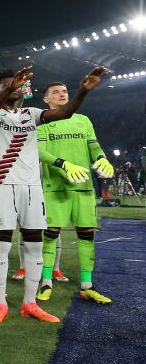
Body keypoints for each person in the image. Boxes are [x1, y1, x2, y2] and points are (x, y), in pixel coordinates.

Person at [0, 64, 107, 324]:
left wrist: (83, 91)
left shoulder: (31, 114)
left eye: (14, 84)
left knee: (34, 244)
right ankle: (1, 303)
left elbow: (64, 112)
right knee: (2, 244)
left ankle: (29, 303)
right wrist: (6, 90)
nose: (12, 87)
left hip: (32, 187)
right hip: (2, 184)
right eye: (5, 85)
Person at [35, 82, 114, 304]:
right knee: (51, 234)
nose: (62, 95)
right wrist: (63, 164)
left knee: (87, 234)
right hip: (55, 187)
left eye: (64, 92)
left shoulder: (83, 120)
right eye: (55, 92)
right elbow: (39, 151)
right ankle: (46, 281)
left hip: (83, 187)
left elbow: (94, 146)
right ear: (46, 100)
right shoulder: (43, 123)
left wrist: (101, 158)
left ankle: (87, 286)